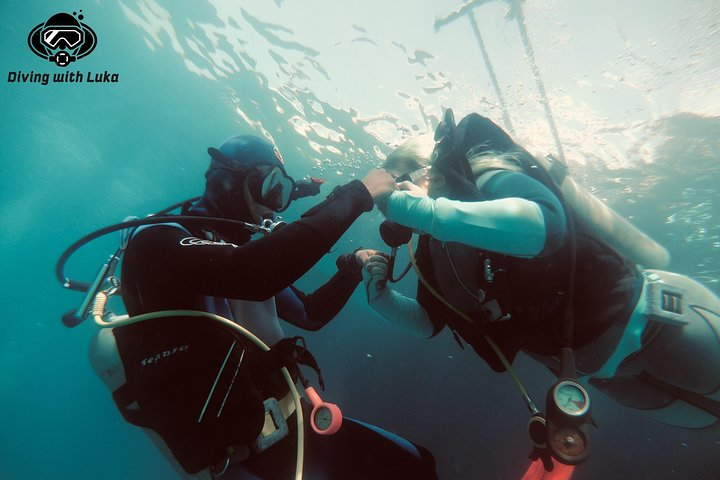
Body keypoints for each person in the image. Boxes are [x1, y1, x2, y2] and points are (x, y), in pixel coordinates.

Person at [358, 111, 720, 456]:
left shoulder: (486, 175)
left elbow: (545, 226)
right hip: (604, 377)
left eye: (400, 185)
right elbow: (429, 322)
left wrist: (407, 208)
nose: (396, 198)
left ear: (428, 172)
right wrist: (382, 297)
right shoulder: (430, 248)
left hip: (665, 322)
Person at [88, 134, 438, 479]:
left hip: (292, 424)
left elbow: (308, 313)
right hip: (238, 455)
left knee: (417, 463)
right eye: (270, 188)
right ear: (229, 177)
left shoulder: (233, 253)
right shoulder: (156, 241)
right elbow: (252, 274)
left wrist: (351, 267)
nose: (273, 207)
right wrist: (358, 195)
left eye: (283, 193)